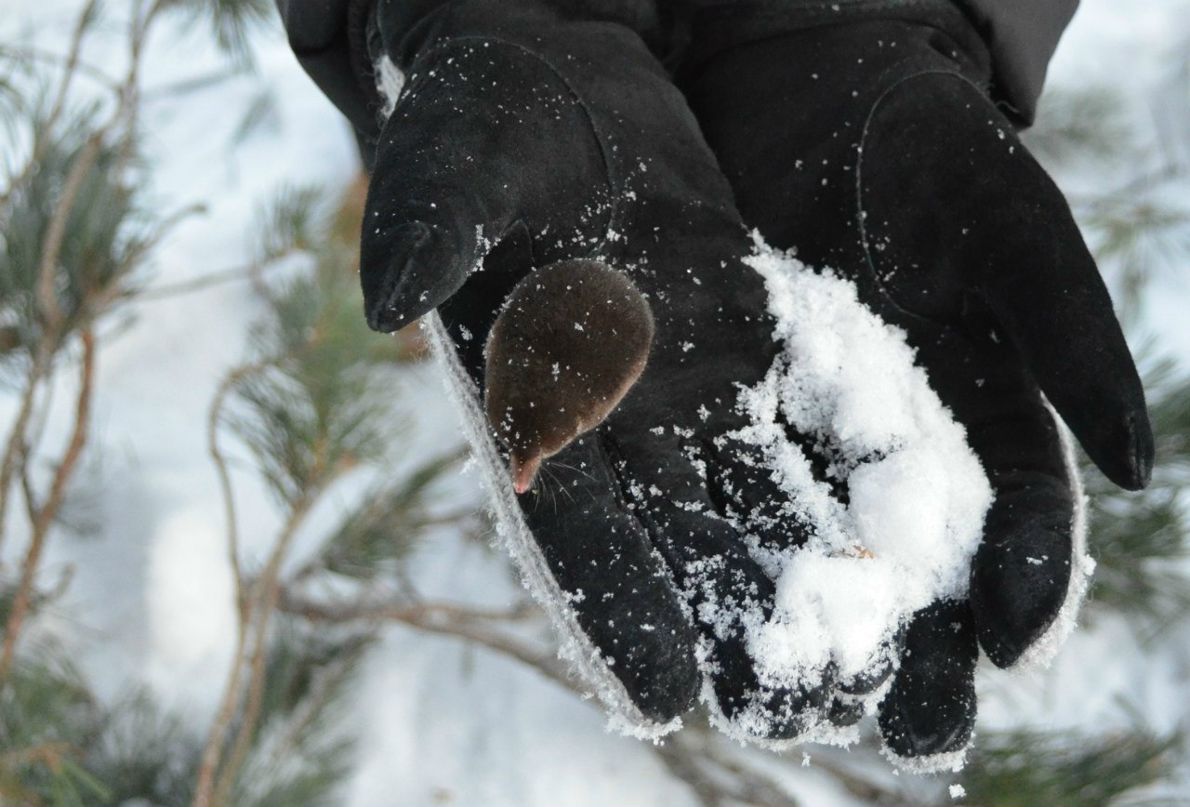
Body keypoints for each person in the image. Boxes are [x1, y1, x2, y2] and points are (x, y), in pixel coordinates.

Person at [276, 0, 1152, 763]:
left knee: (438, 209)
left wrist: (866, 19)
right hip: (510, 69)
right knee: (443, 190)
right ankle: (391, 180)